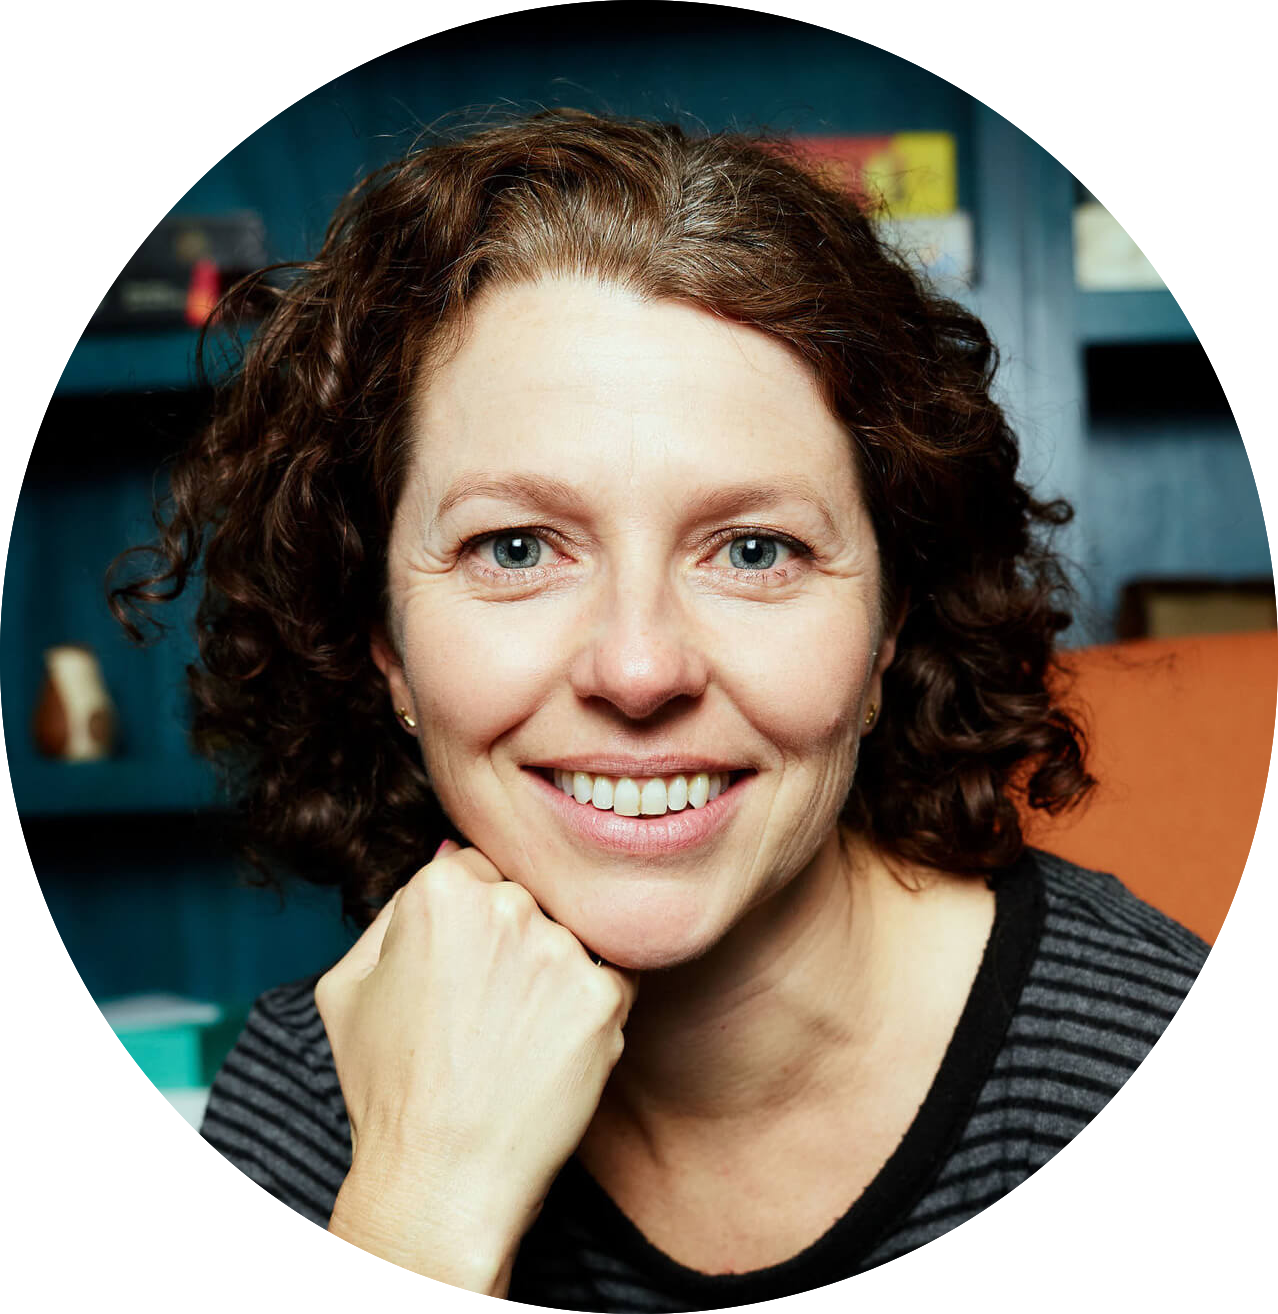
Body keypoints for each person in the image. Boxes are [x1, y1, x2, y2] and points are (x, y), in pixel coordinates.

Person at [109, 107, 1210, 1305]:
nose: (638, 671)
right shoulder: (319, 1093)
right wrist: (427, 1200)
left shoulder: (1125, 1053)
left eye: (754, 550)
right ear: (385, 644)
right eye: (516, 547)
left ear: (888, 627)